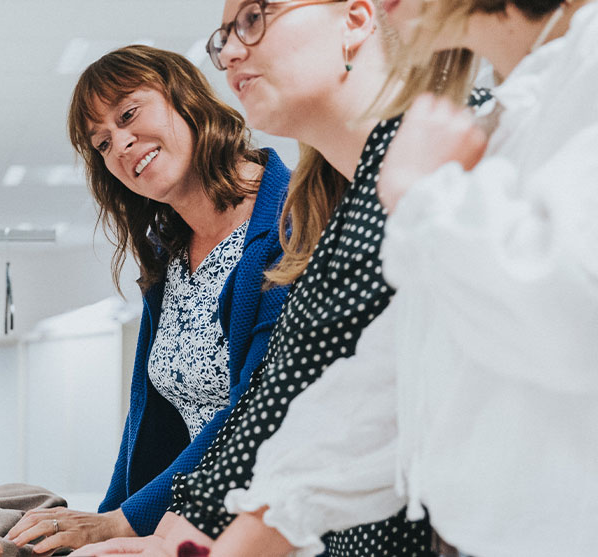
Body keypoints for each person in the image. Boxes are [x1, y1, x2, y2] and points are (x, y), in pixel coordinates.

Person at [201, 0, 598, 555]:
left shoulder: (573, 78)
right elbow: (392, 380)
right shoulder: (517, 107)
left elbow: (573, 323)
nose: (234, 52)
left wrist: (422, 196)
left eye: (254, 17)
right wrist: (242, 537)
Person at [78, 0, 464, 555]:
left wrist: (153, 529)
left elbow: (274, 408)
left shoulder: (321, 211)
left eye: (256, 18)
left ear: (357, 20)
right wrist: (150, 531)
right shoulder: (332, 196)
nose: (231, 51)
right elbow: (307, 407)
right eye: (102, 143)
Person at [3, 45, 291, 555]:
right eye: (102, 143)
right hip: (200, 524)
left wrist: (121, 522)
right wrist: (94, 529)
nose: (121, 144)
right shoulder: (170, 254)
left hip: (283, 526)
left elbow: (255, 413)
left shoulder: (289, 225)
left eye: (129, 114)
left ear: (185, 97)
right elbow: (149, 420)